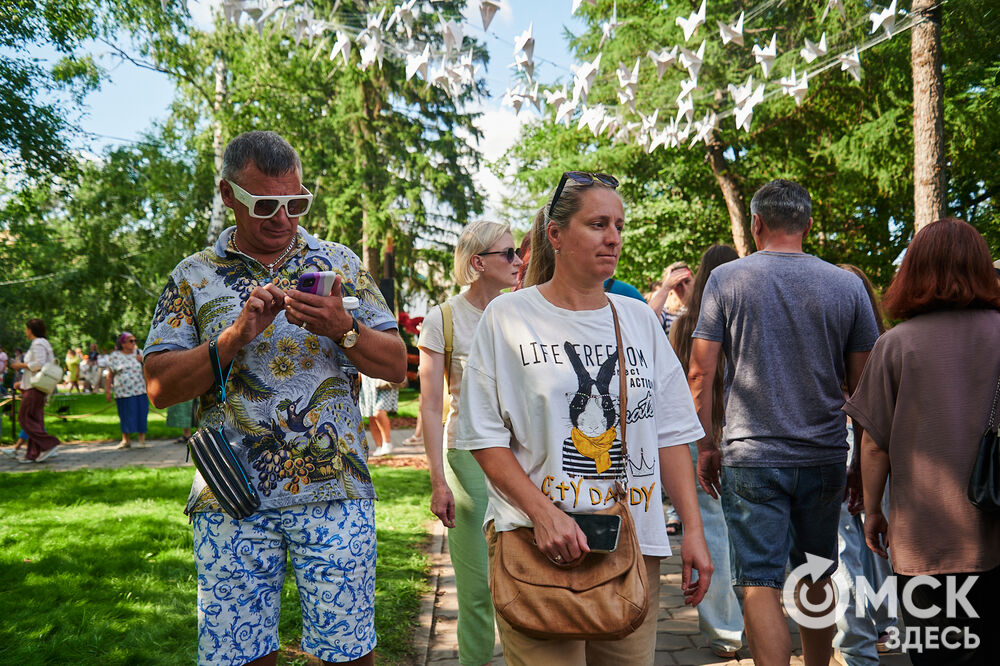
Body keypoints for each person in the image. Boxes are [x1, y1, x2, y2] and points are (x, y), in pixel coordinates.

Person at [143, 130, 406, 666]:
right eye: (265, 204)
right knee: (236, 656)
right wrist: (234, 337)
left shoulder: (339, 264)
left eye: (296, 202)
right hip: (231, 497)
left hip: (335, 489)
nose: (283, 218)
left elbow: (398, 364)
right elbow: (159, 388)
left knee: (346, 653)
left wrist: (345, 328)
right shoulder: (193, 277)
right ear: (227, 195)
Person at [457, 171, 712, 665]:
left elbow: (672, 432)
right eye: (597, 223)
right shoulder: (509, 318)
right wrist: (544, 514)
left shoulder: (637, 318)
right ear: (555, 236)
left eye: (618, 224)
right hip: (536, 546)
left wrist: (695, 535)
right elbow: (483, 435)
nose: (613, 237)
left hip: (631, 545)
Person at [688, 179, 879, 666]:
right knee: (816, 574)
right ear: (808, 225)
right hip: (824, 457)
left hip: (751, 457)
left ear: (756, 224)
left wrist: (707, 444)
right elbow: (864, 390)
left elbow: (701, 372)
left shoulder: (726, 280)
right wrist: (862, 466)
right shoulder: (847, 286)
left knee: (758, 583)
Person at [845, 218, 1000, 665]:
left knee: (938, 654)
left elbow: (874, 445)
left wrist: (875, 512)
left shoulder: (895, 346)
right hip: (993, 533)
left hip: (928, 544)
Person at [418, 219, 523, 666]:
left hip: (523, 459)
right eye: (508, 254)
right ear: (478, 263)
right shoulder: (443, 318)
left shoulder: (523, 312)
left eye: (517, 253)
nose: (519, 261)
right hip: (467, 459)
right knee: (478, 587)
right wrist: (438, 481)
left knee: (523, 581)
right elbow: (428, 407)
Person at [669, 244, 744, 660]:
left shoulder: (684, 327)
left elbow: (680, 385)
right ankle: (757, 611)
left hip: (700, 437)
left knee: (711, 532)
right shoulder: (752, 320)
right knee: (746, 531)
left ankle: (725, 632)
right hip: (748, 437)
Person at [831, 265, 896, 666]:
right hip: (881, 445)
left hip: (841, 441)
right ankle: (885, 626)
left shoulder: (826, 335)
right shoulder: (886, 342)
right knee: (878, 542)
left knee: (844, 548)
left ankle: (856, 641)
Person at [9, 318, 61, 463]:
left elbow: (38, 364)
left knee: (24, 418)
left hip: (34, 387)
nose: (25, 332)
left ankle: (49, 444)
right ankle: (32, 453)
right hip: (35, 385)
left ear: (31, 330)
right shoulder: (43, 343)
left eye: (26, 329)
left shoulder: (38, 343)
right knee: (35, 419)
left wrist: (20, 365)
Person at [105, 332, 149, 449]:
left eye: (135, 340)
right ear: (122, 343)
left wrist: (143, 362)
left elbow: (150, 371)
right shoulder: (115, 356)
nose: (134, 343)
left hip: (140, 389)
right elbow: (110, 375)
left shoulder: (139, 353)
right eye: (131, 341)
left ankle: (142, 440)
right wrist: (108, 391)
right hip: (123, 392)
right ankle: (126, 440)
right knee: (125, 415)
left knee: (141, 414)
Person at [650, 260, 694, 335]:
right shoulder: (666, 311)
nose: (684, 288)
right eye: (678, 284)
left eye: (687, 281)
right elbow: (649, 318)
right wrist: (666, 287)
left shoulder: (704, 305)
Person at [360, 374, 398, 456]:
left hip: (385, 379)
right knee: (371, 415)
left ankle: (387, 443)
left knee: (378, 412)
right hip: (368, 381)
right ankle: (379, 446)